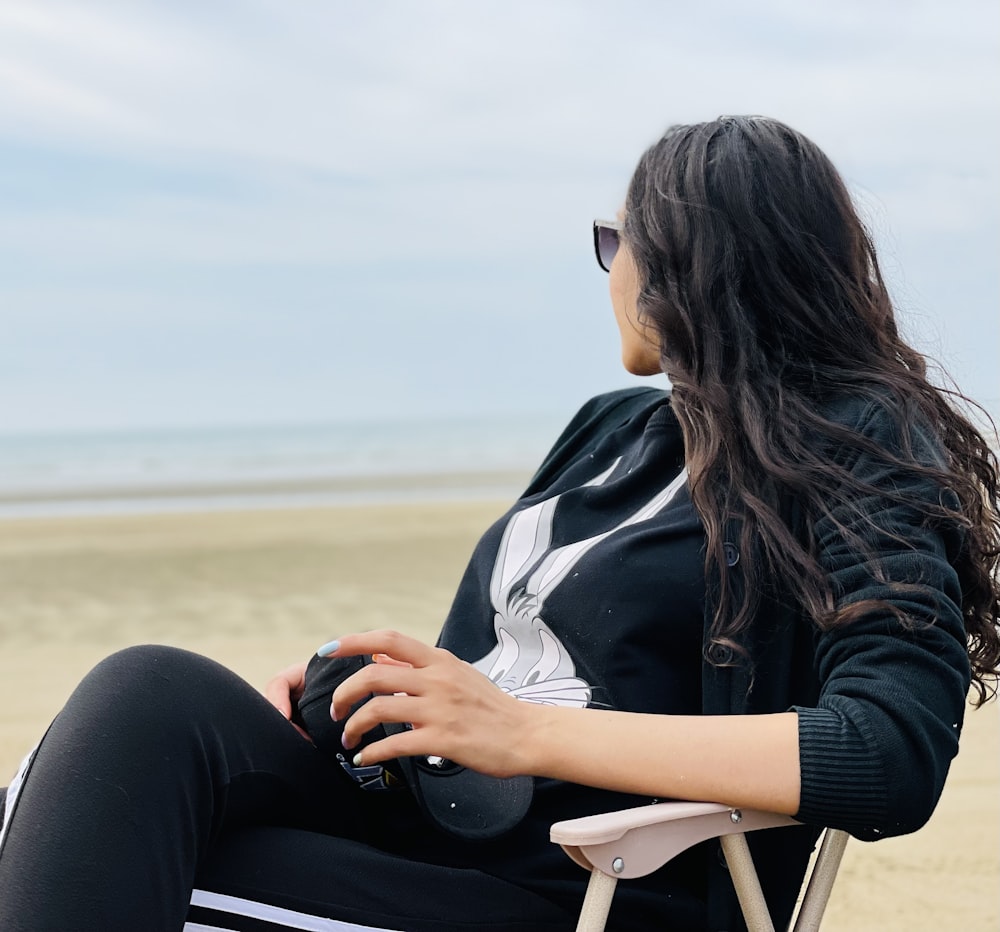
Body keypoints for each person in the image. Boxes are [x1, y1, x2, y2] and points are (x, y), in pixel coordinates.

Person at [1, 116, 998, 932]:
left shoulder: (861, 442)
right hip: (441, 824)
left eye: (617, 245)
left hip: (588, 885)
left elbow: (886, 750)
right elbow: (501, 675)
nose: (607, 273)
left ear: (688, 269)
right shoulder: (609, 432)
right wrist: (394, 698)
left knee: (81, 849)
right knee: (145, 699)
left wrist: (526, 730)